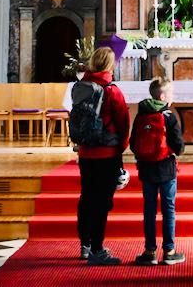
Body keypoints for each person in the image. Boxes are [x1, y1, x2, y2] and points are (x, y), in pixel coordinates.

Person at [74, 46, 130, 265]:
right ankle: (98, 249)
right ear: (109, 65)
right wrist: (121, 147)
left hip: (85, 151)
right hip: (107, 153)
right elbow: (123, 122)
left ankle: (85, 245)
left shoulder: (81, 87)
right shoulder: (112, 90)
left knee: (86, 197)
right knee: (102, 201)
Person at [131, 78, 186, 266]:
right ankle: (169, 251)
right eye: (170, 94)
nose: (172, 97)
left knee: (149, 210)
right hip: (166, 169)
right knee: (168, 209)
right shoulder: (169, 116)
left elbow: (133, 143)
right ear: (163, 97)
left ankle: (149, 251)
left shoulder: (141, 115)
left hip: (147, 168)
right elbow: (179, 146)